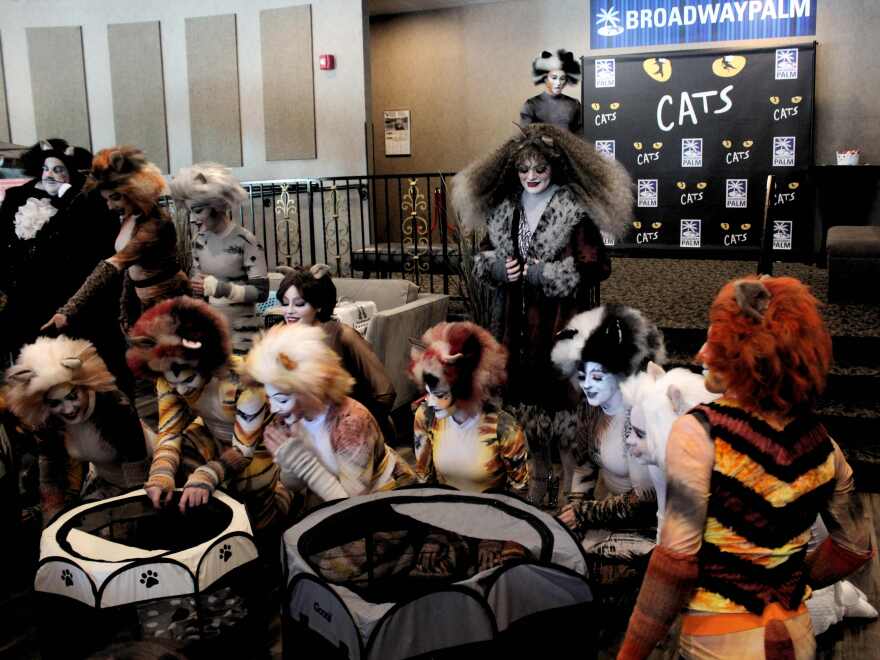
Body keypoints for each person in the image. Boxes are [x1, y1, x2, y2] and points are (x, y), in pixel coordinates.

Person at [617, 276, 874, 659]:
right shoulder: (823, 444)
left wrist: (630, 654)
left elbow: (675, 564)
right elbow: (855, 548)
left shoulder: (699, 431)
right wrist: (784, 580)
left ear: (748, 354)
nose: (703, 353)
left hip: (716, 641)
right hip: (795, 635)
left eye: (716, 342)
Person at [452, 123, 632, 505]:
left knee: (565, 410)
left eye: (540, 169)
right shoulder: (504, 211)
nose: (531, 177)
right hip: (515, 329)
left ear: (554, 168)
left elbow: (597, 265)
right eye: (524, 170)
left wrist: (544, 274)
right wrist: (499, 268)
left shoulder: (573, 208)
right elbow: (483, 258)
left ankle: (572, 495)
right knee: (525, 410)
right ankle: (534, 489)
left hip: (562, 327)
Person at [126, 296, 290, 533]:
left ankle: (274, 508)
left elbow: (244, 450)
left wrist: (207, 475)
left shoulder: (245, 381)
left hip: (262, 447)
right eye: (174, 384)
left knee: (254, 507)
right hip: (214, 438)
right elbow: (169, 433)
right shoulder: (168, 378)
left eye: (189, 379)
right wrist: (161, 475)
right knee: (185, 454)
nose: (182, 390)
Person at [550, 305, 666, 586]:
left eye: (598, 377)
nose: (587, 385)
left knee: (586, 572)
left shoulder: (638, 417)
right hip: (605, 518)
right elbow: (584, 467)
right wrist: (573, 511)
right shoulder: (591, 409)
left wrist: (585, 514)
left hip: (647, 529)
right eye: (582, 376)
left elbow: (646, 501)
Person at [241, 323, 414, 509]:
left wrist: (299, 460)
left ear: (309, 391)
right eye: (269, 398)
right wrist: (287, 459)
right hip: (329, 505)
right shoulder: (293, 417)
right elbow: (295, 485)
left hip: (385, 507)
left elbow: (351, 508)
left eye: (282, 400)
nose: (274, 409)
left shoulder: (351, 423)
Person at [4, 336, 150, 526]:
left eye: (72, 396)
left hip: (145, 478)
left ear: (84, 385)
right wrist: (52, 520)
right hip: (103, 479)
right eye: (55, 403)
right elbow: (51, 471)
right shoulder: (49, 421)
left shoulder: (114, 407)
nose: (68, 409)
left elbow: (137, 475)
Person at [42, 146, 188, 335]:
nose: (110, 206)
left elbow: (113, 265)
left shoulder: (155, 224)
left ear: (135, 191)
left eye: (115, 198)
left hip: (169, 305)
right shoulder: (130, 217)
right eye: (107, 200)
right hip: (146, 302)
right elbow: (130, 269)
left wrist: (67, 311)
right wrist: (125, 308)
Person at [0, 139, 118, 366]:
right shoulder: (18, 197)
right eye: (45, 169)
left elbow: (99, 246)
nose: (50, 175)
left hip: (69, 294)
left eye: (58, 169)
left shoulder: (86, 199)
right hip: (24, 294)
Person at [277, 264, 397, 443]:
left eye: (299, 304)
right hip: (305, 436)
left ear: (318, 305)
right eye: (285, 303)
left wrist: (356, 424)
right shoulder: (281, 336)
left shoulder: (342, 334)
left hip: (352, 436)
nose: (289, 311)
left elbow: (385, 391)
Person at [408, 321, 529, 497]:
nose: (432, 403)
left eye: (441, 395)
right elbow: (424, 481)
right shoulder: (426, 417)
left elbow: (519, 493)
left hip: (490, 518)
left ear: (465, 388)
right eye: (428, 393)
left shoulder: (504, 429)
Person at [169, 163, 267, 355]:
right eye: (190, 212)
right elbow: (200, 291)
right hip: (212, 333)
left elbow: (261, 292)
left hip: (243, 335)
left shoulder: (245, 240)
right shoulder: (199, 240)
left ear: (217, 205)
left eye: (197, 210)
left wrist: (222, 289)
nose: (193, 219)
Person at [520, 49, 583, 133]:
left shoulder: (574, 104)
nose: (558, 83)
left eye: (562, 79)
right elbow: (525, 135)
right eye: (554, 78)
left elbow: (580, 136)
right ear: (545, 79)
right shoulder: (531, 104)